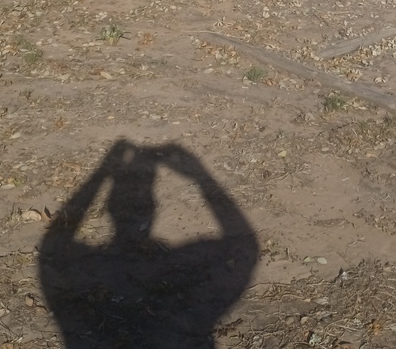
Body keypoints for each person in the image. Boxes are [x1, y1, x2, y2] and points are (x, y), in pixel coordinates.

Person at [39, 140, 259, 348]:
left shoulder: (78, 272)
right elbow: (245, 247)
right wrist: (201, 176)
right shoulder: (181, 265)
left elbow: (53, 244)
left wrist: (103, 171)